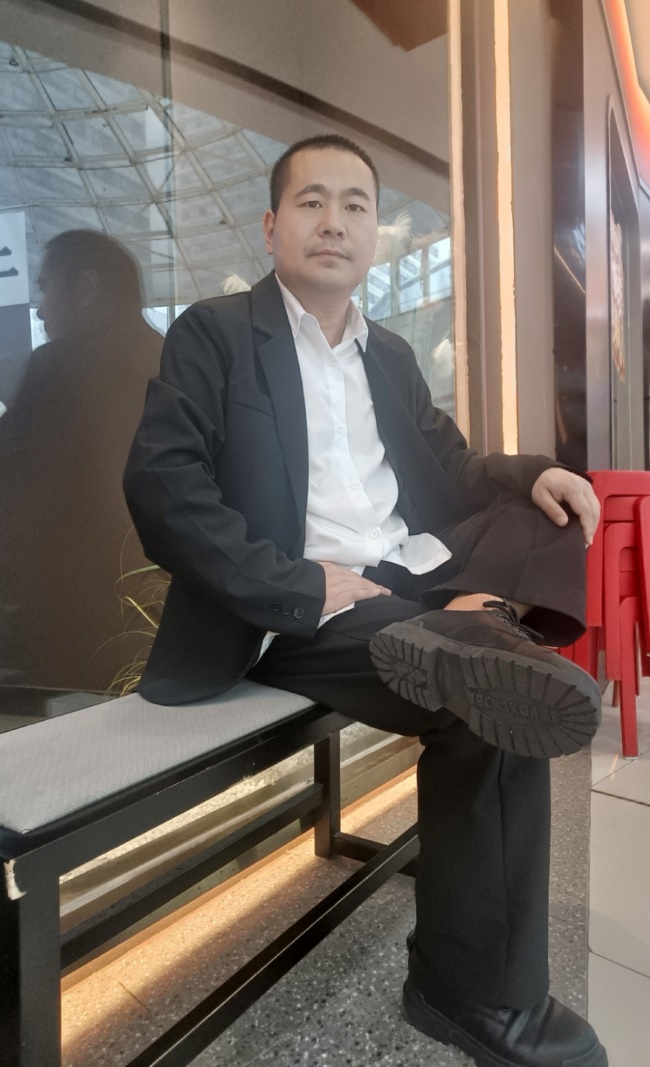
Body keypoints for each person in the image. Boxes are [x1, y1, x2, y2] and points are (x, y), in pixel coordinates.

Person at [123, 135, 607, 1067]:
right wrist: (298, 583)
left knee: (536, 509)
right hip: (299, 608)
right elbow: (163, 487)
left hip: (407, 578)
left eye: (354, 205)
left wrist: (533, 471)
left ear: (375, 234)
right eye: (311, 202)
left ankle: (479, 627)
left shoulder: (387, 352)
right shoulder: (215, 334)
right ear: (271, 227)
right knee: (490, 703)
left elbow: (452, 465)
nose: (334, 221)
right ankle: (478, 993)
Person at [0, 230, 163, 699]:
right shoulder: (170, 358)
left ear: (86, 287)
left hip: (67, 621)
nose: (41, 310)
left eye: (46, 288)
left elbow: (13, 482)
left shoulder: (57, 367)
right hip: (155, 614)